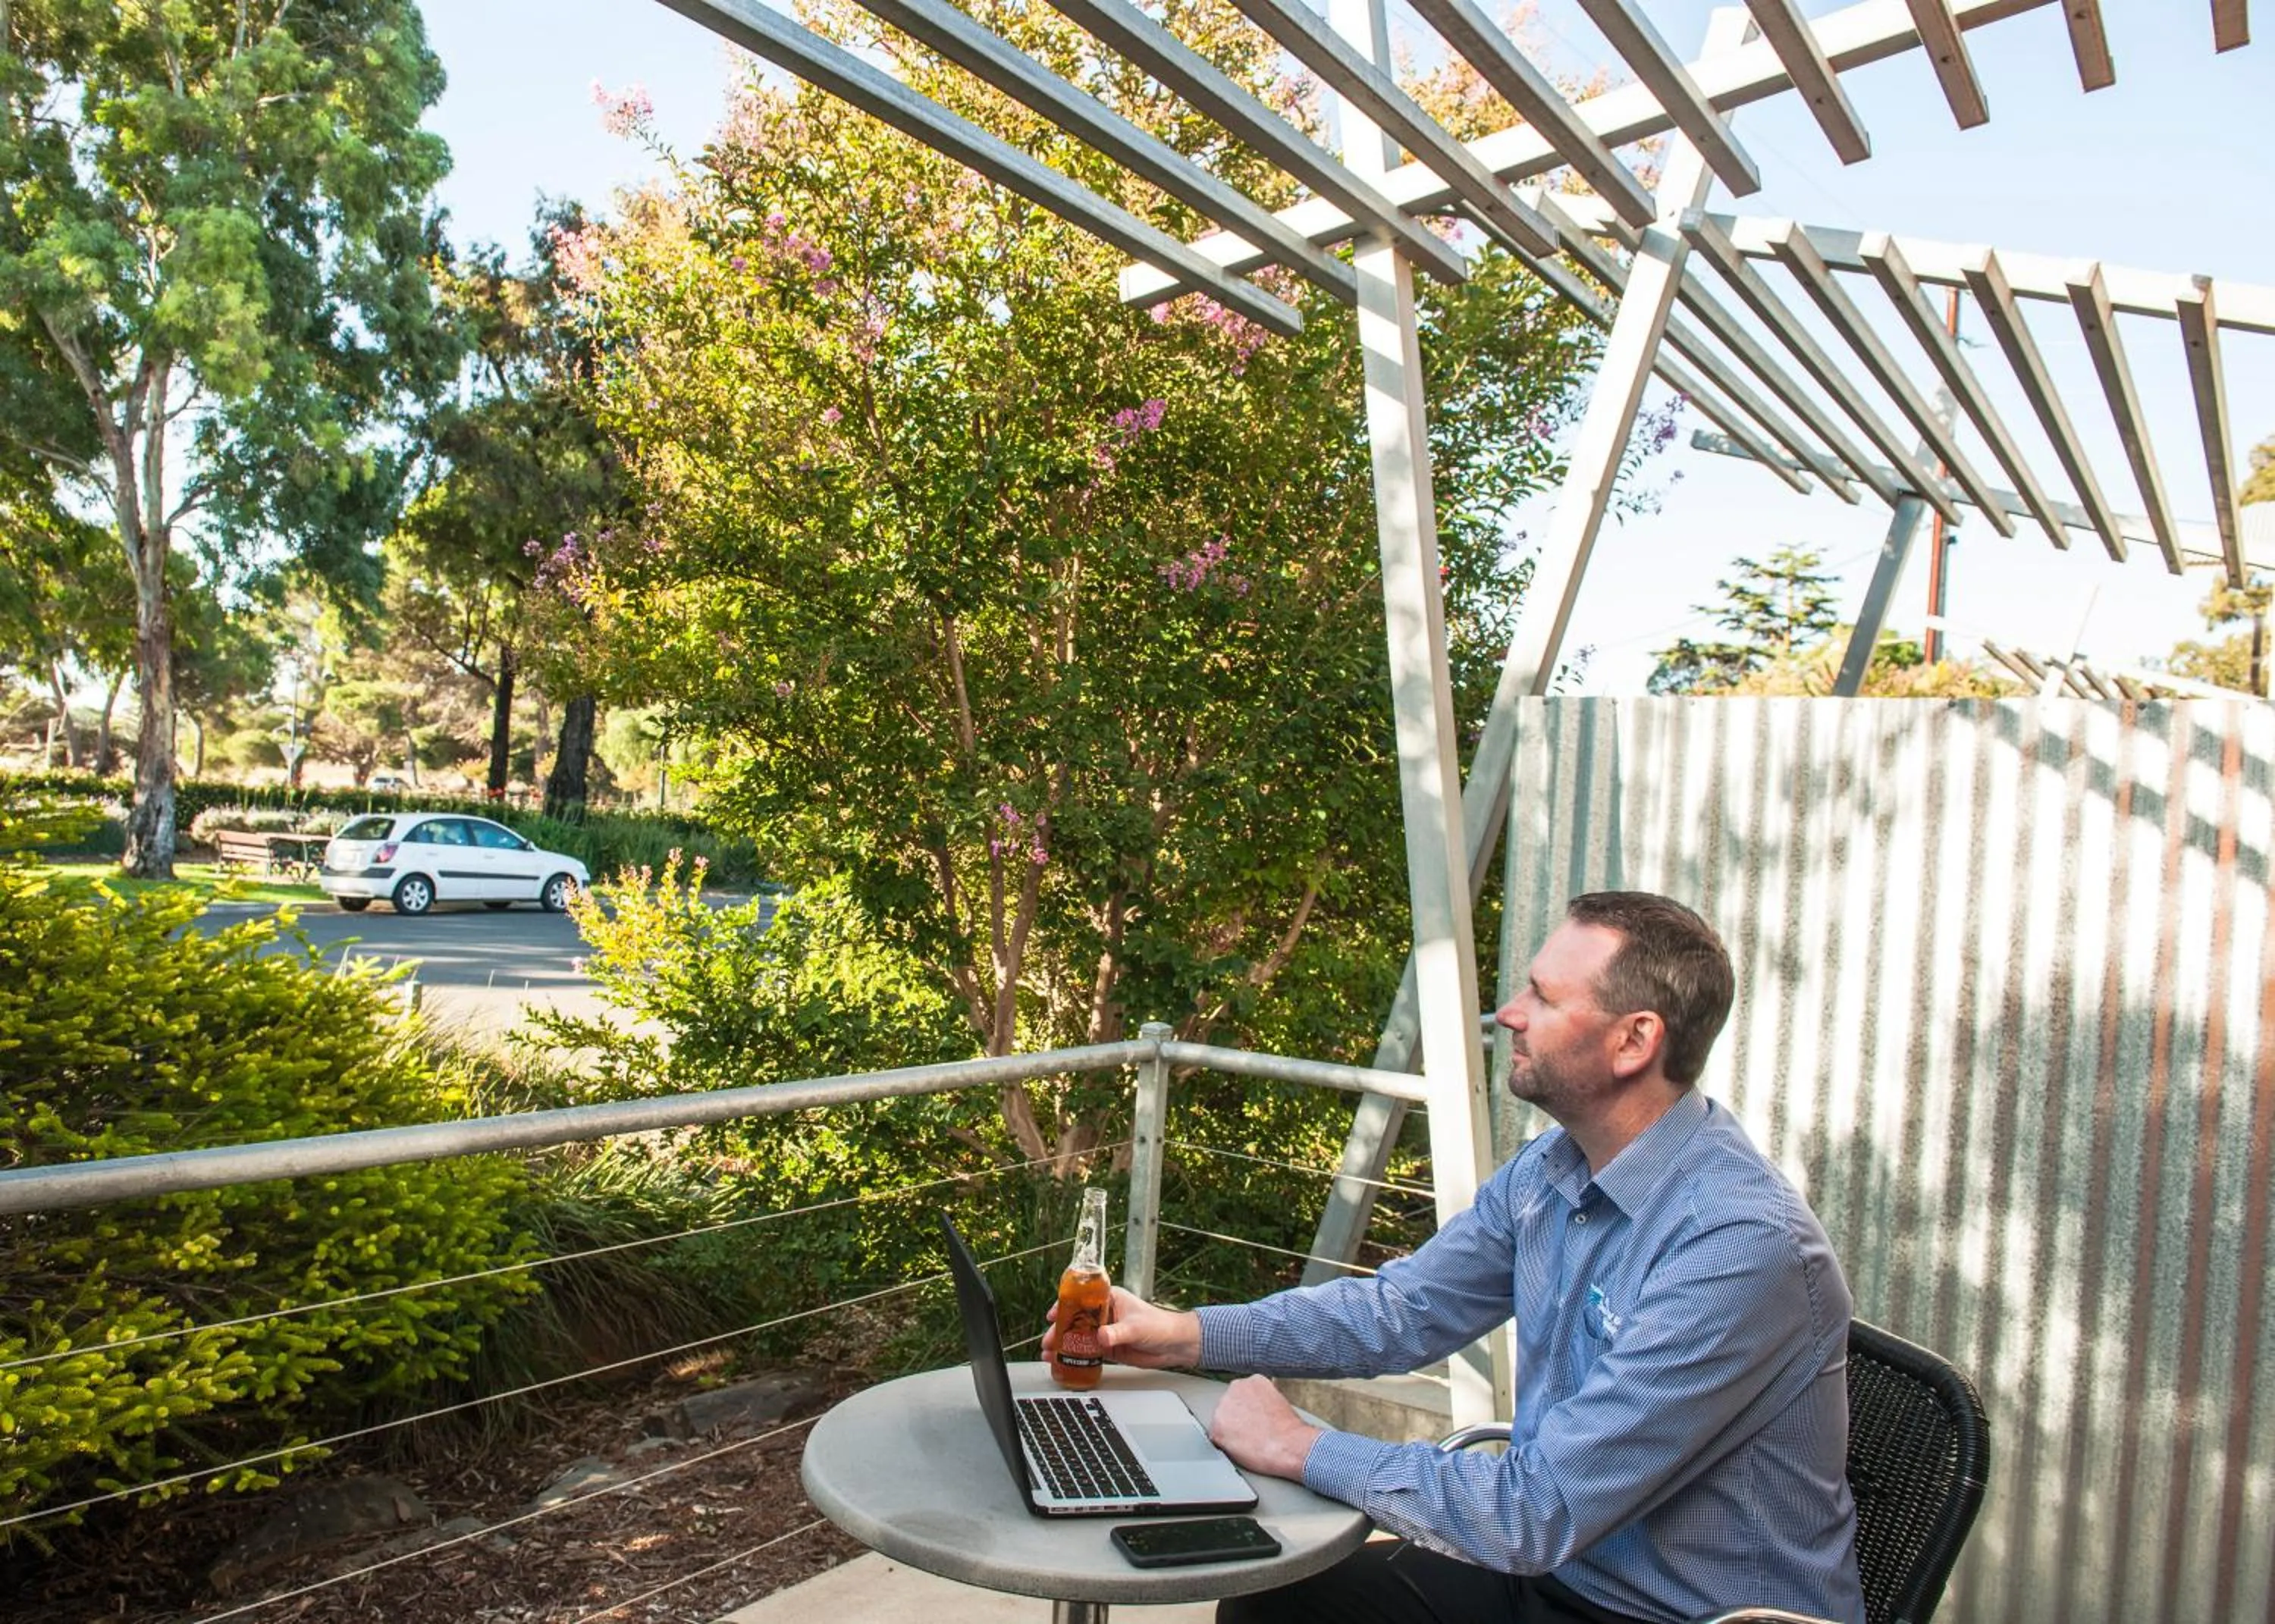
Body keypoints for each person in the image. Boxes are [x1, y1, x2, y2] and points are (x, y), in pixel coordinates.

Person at [1048, 892, 1864, 1624]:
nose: (1511, 1013)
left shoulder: (1734, 1247)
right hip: (1563, 1576)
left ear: (1633, 1042)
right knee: (1278, 1605)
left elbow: (1533, 1509)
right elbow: (1398, 1313)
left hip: (1684, 1613)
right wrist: (1184, 1335)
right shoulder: (1556, 1171)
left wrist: (1299, 1446)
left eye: (1543, 997)